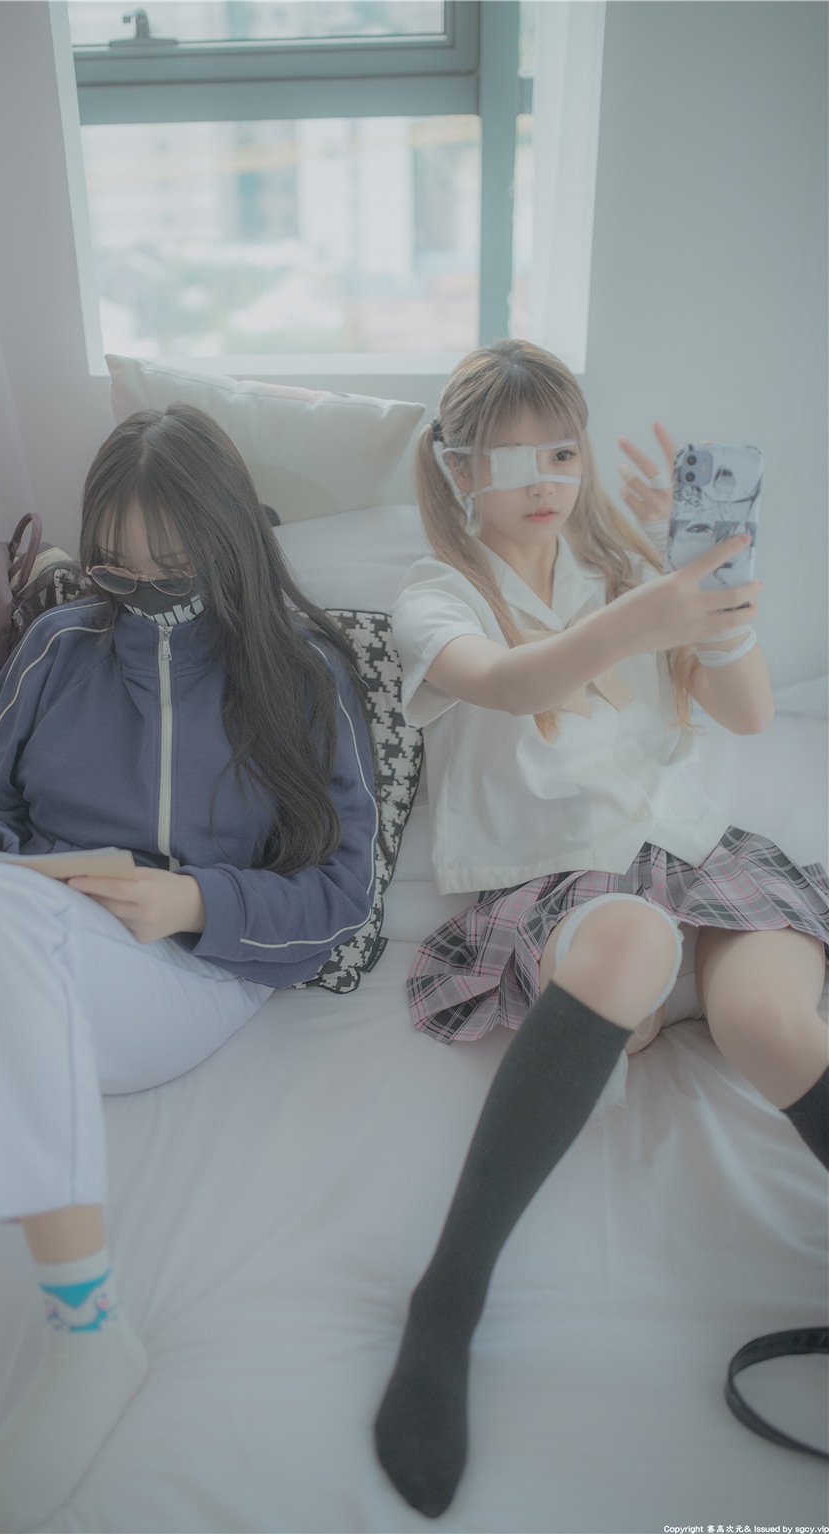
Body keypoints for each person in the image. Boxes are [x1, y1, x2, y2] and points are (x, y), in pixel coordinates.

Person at [0, 403, 379, 1533]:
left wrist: (195, 900)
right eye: (119, 569)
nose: (144, 593)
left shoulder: (302, 671)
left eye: (174, 570)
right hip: (24, 930)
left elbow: (341, 894)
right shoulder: (61, 644)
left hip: (181, 968)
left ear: (229, 542)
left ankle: (88, 1331)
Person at [373, 340, 829, 1518]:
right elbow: (510, 682)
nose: (547, 478)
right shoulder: (435, 593)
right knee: (628, 944)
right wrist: (648, 610)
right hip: (564, 891)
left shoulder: (623, 565)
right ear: (457, 468)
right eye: (513, 456)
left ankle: (647, 1017)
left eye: (564, 451)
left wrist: (710, 599)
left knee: (773, 1022)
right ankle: (447, 1302)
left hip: (701, 860)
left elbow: (746, 712)